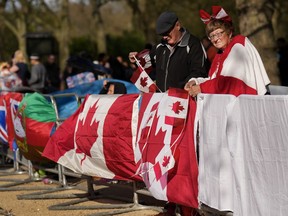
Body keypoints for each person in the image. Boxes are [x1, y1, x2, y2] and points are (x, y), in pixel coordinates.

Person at [185, 6, 271, 97]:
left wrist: (201, 88)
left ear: (229, 33)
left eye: (218, 34)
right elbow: (214, 80)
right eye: (212, 36)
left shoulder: (239, 44)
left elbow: (231, 82)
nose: (215, 39)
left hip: (249, 103)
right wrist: (195, 82)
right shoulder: (220, 54)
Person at [129, 11, 208, 92]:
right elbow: (147, 62)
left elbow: (199, 72)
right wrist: (136, 59)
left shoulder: (193, 44)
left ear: (177, 25)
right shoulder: (160, 46)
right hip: (162, 99)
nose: (164, 37)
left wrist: (178, 90)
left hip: (183, 100)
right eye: (162, 34)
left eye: (167, 32)